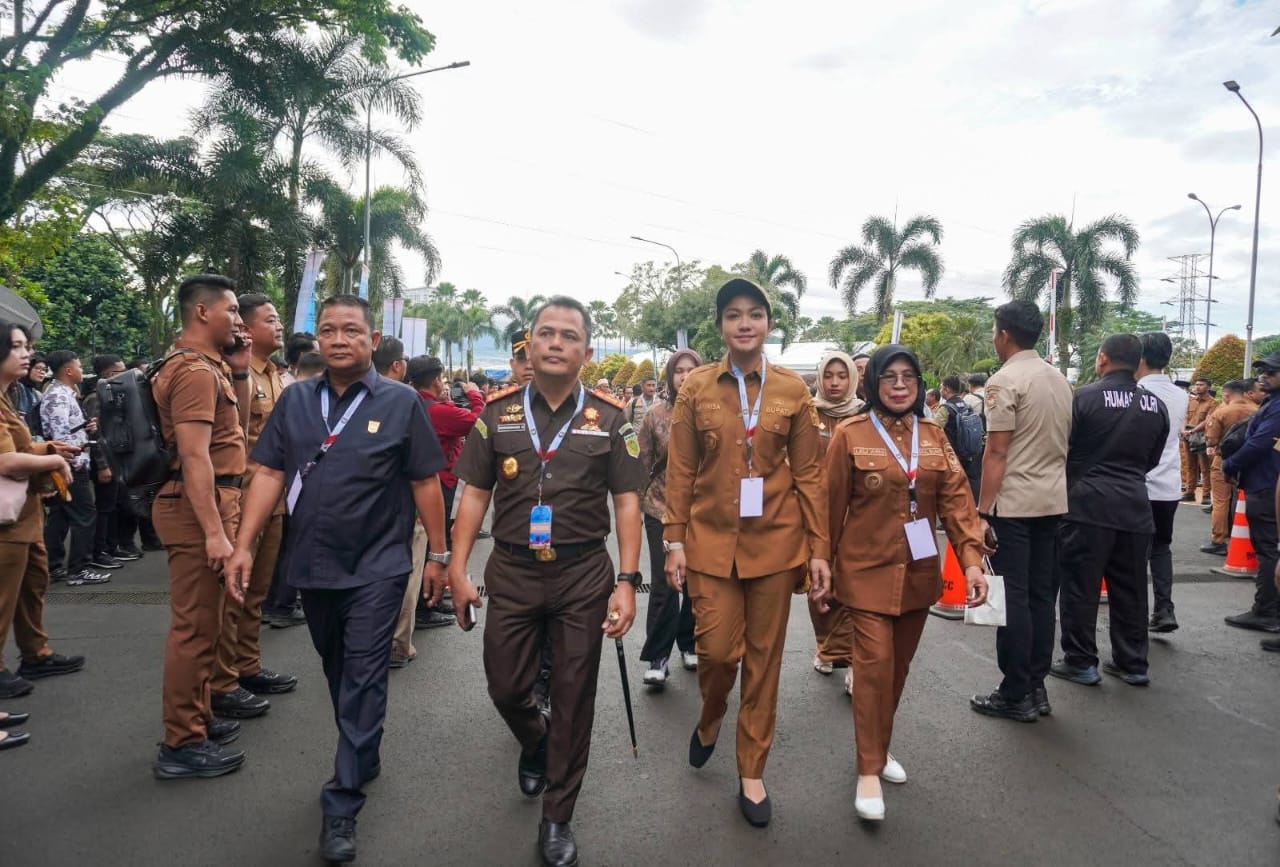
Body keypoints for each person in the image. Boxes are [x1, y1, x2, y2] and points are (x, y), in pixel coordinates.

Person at [226, 295, 450, 863]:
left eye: (352, 330)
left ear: (373, 341)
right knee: (335, 665)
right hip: (312, 564)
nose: (339, 338)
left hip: (378, 565)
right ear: (318, 340)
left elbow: (426, 481)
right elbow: (271, 472)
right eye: (328, 330)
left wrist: (440, 557)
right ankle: (364, 748)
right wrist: (244, 546)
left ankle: (342, 800)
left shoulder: (401, 402)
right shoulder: (297, 400)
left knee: (364, 674)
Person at [447, 295, 644, 867]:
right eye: (546, 333)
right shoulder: (496, 413)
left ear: (586, 350)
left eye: (569, 335)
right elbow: (475, 496)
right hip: (509, 570)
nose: (556, 343)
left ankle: (558, 815)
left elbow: (628, 505)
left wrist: (627, 581)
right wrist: (457, 568)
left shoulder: (611, 419)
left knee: (574, 693)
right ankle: (535, 740)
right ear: (529, 345)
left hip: (584, 573)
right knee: (506, 686)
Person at [663, 278, 831, 829]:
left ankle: (752, 768)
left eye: (754, 314)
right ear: (720, 326)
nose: (744, 323)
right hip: (710, 546)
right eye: (733, 314)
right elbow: (681, 470)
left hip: (777, 545)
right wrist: (674, 540)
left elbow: (808, 474)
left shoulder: (791, 391)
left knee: (764, 662)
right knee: (717, 654)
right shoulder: (696, 390)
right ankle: (712, 714)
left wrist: (818, 550)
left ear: (767, 325)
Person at [826, 344, 987, 822]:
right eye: (889, 377)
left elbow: (959, 503)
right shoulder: (850, 435)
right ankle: (868, 770)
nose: (899, 385)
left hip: (918, 576)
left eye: (909, 377)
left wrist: (972, 562)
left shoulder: (935, 437)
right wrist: (818, 566)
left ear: (918, 385)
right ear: (873, 382)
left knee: (896, 672)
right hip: (864, 573)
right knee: (873, 668)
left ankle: (880, 749)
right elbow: (828, 507)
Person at [150, 275, 252, 779]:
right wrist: (214, 531)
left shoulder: (212, 368)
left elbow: (235, 432)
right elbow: (194, 457)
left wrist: (239, 369)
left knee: (209, 623)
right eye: (232, 311)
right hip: (198, 509)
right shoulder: (191, 371)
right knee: (194, 628)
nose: (239, 320)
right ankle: (180, 743)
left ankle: (198, 717)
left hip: (214, 501)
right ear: (202, 314)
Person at [969, 300, 1073, 722]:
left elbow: (996, 452)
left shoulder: (1004, 381)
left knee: (1011, 600)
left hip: (1013, 504)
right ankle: (1035, 685)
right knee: (1041, 597)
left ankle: (1014, 691)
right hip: (1053, 500)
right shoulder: (1059, 379)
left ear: (1004, 334)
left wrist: (981, 512)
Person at [1051, 334, 1168, 688]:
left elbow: (1064, 451)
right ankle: (1133, 663)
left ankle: (1081, 661)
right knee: (1131, 589)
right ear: (1138, 363)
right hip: (1135, 507)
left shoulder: (1083, 398)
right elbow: (1152, 459)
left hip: (1087, 506)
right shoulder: (1155, 405)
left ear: (1102, 359)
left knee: (1080, 588)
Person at [209, 293, 298, 719]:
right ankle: (222, 682)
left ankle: (247, 666)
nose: (278, 326)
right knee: (233, 594)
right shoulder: (233, 373)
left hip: (273, 499)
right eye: (271, 319)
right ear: (245, 326)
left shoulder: (278, 376)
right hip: (242, 498)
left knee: (257, 591)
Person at [0, 322, 85, 701]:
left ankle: (36, 652)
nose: (26, 353)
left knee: (33, 584)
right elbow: (5, 461)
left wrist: (46, 448)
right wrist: (50, 457)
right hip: (8, 520)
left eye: (26, 346)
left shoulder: (10, 397)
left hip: (26, 513)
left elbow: (19, 449)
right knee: (4, 596)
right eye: (16, 346)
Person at [390, 355, 484, 666]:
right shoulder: (439, 410)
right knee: (430, 552)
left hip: (409, 488)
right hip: (436, 484)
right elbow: (479, 424)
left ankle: (426, 605)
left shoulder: (404, 403)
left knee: (423, 552)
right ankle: (422, 610)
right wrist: (473, 394)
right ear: (436, 380)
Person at [638, 349, 703, 687]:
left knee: (695, 581)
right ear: (669, 375)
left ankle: (689, 642)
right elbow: (642, 464)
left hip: (702, 513)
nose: (685, 376)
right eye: (679, 370)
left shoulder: (713, 413)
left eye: (692, 369)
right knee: (664, 585)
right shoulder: (654, 415)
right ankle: (658, 656)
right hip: (660, 509)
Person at [807, 351, 863, 687]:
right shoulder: (807, 414)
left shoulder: (865, 415)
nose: (835, 383)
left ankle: (856, 659)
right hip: (814, 514)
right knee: (819, 585)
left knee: (854, 585)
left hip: (855, 514)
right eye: (829, 376)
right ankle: (825, 647)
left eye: (842, 376)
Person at [39, 350, 113, 584]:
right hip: (70, 465)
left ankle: (52, 566)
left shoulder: (64, 394)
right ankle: (78, 569)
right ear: (68, 370)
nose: (82, 370)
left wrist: (85, 427)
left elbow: (67, 428)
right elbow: (59, 435)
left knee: (60, 516)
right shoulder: (59, 396)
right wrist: (70, 461)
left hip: (70, 462)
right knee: (85, 515)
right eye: (79, 366)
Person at [1221, 352, 1280, 639]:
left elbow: (1259, 444)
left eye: (1271, 371)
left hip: (1267, 485)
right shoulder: (1271, 403)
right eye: (1263, 371)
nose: (1263, 376)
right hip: (1264, 482)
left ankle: (1267, 611)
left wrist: (1230, 464)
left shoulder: (1278, 407)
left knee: (1268, 550)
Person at [1136, 332, 1189, 634]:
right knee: (1161, 548)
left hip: (1140, 483)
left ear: (1140, 358)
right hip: (1169, 483)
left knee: (1133, 554)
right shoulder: (1180, 394)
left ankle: (1136, 613)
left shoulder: (1137, 392)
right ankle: (1164, 608)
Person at [1201, 379, 1259, 555]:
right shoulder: (1258, 411)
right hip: (1252, 460)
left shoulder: (1222, 412)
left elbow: (1211, 440)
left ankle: (1219, 539)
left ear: (1226, 394)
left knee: (1220, 501)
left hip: (1224, 460)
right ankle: (1248, 538)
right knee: (1245, 500)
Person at [933, 374, 984, 502]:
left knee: (953, 484)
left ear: (947, 390)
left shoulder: (946, 408)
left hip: (952, 452)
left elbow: (933, 429)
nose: (940, 391)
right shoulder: (966, 404)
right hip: (969, 450)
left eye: (941, 388)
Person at [1181, 377, 1218, 503]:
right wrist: (1184, 429)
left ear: (1208, 387)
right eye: (1196, 384)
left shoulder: (1213, 403)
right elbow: (1185, 416)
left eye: (1201, 385)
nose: (1197, 387)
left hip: (1201, 437)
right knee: (1189, 465)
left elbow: (1207, 420)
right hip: (1188, 435)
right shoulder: (1190, 401)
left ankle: (1206, 494)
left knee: (1204, 467)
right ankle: (1189, 491)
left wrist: (1193, 430)